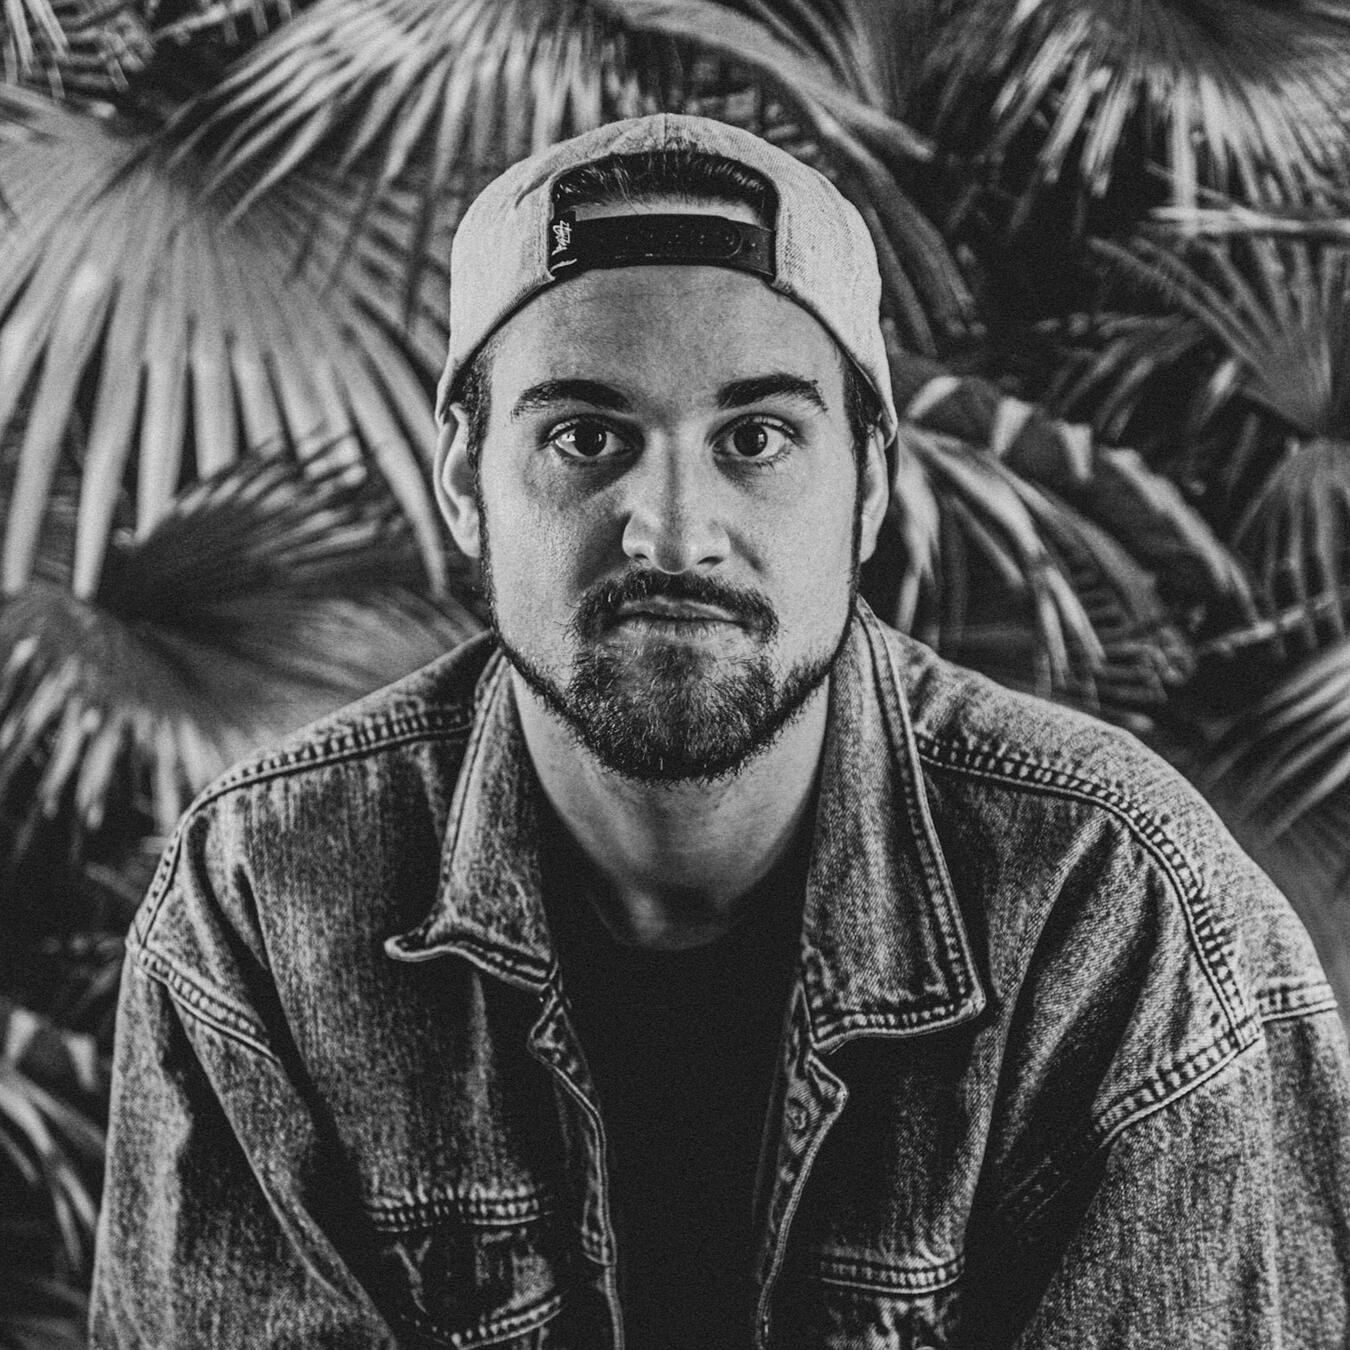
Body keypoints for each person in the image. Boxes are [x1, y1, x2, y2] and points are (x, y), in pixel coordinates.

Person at [91, 114, 1350, 1350]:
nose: (674, 531)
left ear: (870, 482)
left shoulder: (1113, 903)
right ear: (464, 479)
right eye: (585, 437)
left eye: (756, 438)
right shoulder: (267, 894)